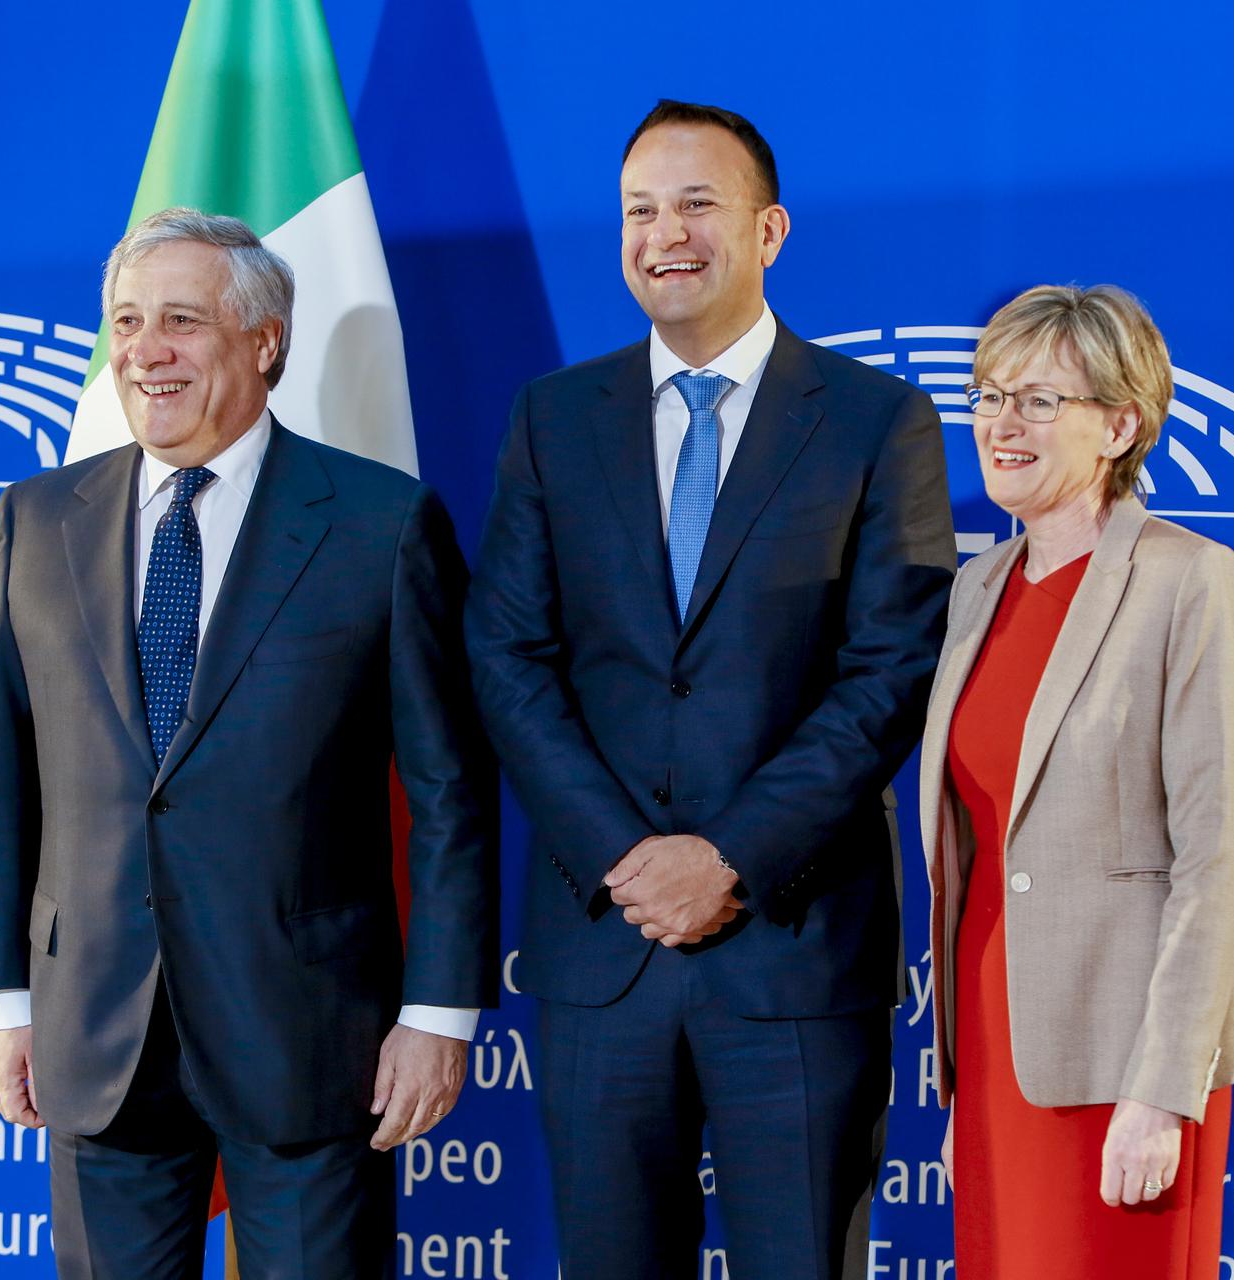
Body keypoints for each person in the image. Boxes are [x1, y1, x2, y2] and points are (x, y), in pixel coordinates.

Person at [465, 100, 954, 1278]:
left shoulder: (879, 421)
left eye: (697, 204)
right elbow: (508, 656)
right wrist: (629, 856)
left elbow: (889, 672)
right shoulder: (552, 418)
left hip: (793, 945)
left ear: (769, 228)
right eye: (640, 209)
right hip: (605, 945)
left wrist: (727, 854)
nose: (664, 233)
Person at [0, 207, 497, 1278]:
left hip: (308, 1036)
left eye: (180, 321)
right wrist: (5, 1000)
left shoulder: (379, 523)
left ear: (264, 342)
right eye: (125, 321)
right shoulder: (37, 518)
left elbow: (450, 790)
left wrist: (439, 1011)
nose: (144, 352)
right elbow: (3, 777)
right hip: (96, 1030)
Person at [920, 284, 1234, 1278]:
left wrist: (1161, 1089)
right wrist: (961, 1091)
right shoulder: (977, 589)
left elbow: (1216, 856)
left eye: (1038, 401)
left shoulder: (1191, 580)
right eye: (989, 395)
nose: (1001, 424)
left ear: (1121, 423)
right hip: (994, 1053)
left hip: (1130, 1066)